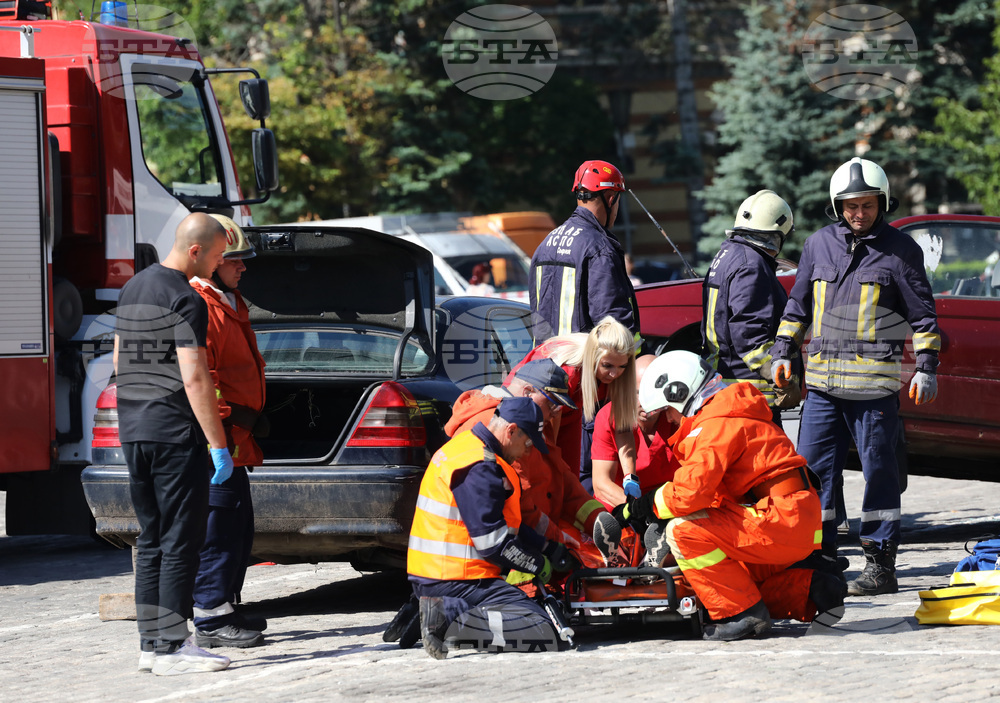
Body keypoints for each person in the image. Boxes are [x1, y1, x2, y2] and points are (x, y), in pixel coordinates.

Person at [771, 157, 941, 597]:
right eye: (851, 206)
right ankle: (821, 559)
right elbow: (797, 308)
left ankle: (881, 565)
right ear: (837, 206)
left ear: (882, 203)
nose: (859, 213)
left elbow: (923, 317)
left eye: (867, 205)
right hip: (823, 389)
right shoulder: (818, 245)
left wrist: (926, 368)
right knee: (813, 475)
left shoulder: (901, 251)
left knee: (880, 474)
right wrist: (783, 352)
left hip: (874, 389)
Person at [618, 351, 844, 641]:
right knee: (733, 578)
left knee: (683, 531)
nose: (670, 419)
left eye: (667, 410)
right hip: (794, 519)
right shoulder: (734, 411)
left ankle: (739, 614)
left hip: (777, 519)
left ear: (680, 395)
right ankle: (811, 589)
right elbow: (714, 497)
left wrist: (642, 507)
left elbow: (690, 493)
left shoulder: (715, 424)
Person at [114, 213, 232, 675]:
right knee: (181, 540)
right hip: (175, 434)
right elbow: (195, 377)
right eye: (218, 255)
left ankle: (151, 645)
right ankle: (172, 648)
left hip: (135, 429)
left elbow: (120, 361)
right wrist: (218, 444)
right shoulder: (187, 298)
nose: (220, 263)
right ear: (195, 250)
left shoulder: (133, 287)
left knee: (151, 540)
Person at [406, 397, 571, 659]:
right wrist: (537, 564)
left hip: (440, 576)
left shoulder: (466, 447)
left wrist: (547, 547)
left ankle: (441, 611)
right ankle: (449, 616)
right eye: (528, 443)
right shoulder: (480, 467)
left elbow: (503, 524)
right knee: (541, 628)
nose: (527, 452)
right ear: (511, 430)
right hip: (458, 579)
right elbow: (492, 544)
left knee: (527, 614)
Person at [189, 215, 268, 649]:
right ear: (214, 262)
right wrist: (224, 430)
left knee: (237, 528)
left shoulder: (229, 302)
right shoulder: (202, 306)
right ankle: (210, 618)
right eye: (234, 259)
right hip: (220, 439)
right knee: (217, 531)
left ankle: (223, 606)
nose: (243, 266)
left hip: (235, 438)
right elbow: (205, 377)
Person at [702, 190, 801, 425]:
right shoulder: (751, 265)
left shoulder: (727, 254)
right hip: (751, 396)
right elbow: (749, 334)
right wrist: (779, 377)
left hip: (728, 386)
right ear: (778, 235)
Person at [507, 318, 638, 490]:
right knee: (540, 474)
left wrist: (630, 477)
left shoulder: (618, 377)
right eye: (607, 366)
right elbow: (549, 437)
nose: (614, 374)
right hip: (528, 408)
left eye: (622, 366)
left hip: (568, 409)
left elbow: (622, 426)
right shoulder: (568, 372)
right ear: (593, 357)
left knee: (569, 478)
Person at [529, 159, 640, 342]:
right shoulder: (599, 248)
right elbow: (614, 326)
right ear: (611, 199)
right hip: (581, 359)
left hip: (544, 357)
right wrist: (639, 352)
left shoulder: (546, 244)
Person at [590, 355, 681, 567]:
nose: (645, 402)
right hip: (621, 504)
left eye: (652, 392)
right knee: (609, 529)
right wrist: (639, 509)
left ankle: (651, 557)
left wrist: (658, 510)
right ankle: (629, 555)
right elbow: (601, 484)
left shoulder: (679, 417)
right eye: (638, 393)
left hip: (667, 505)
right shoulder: (609, 416)